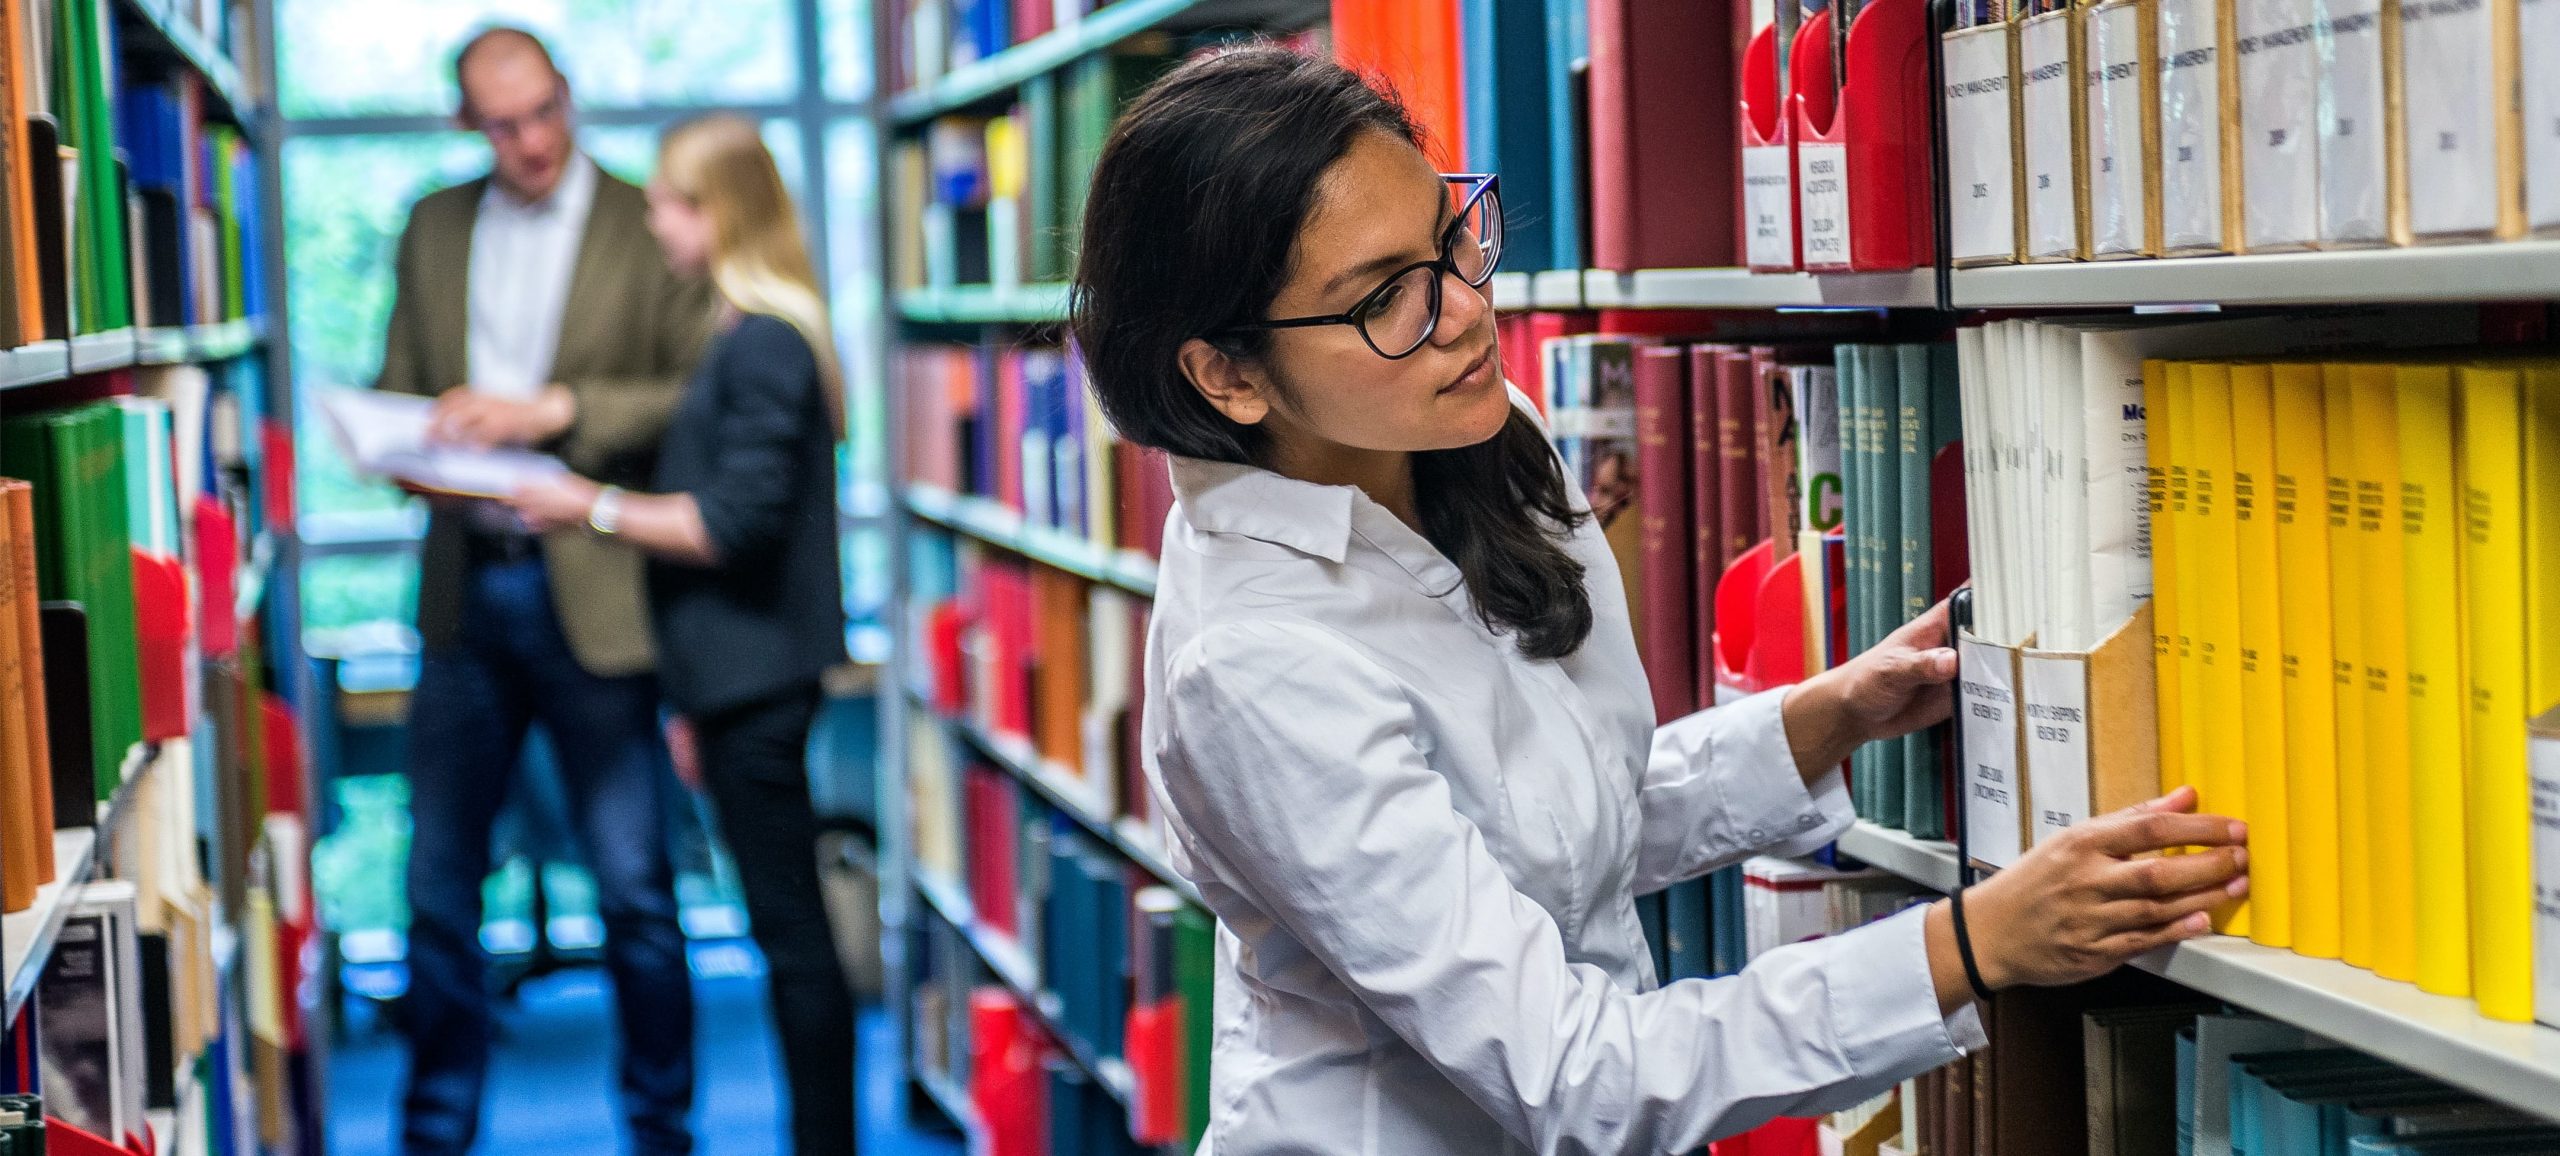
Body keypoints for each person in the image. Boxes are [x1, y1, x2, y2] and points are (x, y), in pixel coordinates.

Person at [1068, 48, 2252, 1155]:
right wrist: (1973, 945)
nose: (1469, 311)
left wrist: (1819, 719)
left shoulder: (1469, 430)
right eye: (1386, 296)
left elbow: (1547, 829)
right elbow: (1581, 1079)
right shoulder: (1252, 665)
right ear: (1224, 372)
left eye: (1452, 238)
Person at [371, 26, 714, 1156]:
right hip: (466, 591)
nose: (526, 142)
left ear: (568, 97)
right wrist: (412, 433)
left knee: (635, 894)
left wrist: (553, 411)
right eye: (500, 123)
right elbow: (396, 385)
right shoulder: (432, 224)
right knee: (435, 889)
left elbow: (686, 393)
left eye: (541, 114)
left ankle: (661, 1131)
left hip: (598, 591)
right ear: (468, 123)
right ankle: (434, 1132)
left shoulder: (643, 218)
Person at [508, 114, 856, 1156]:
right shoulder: (736, 333)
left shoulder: (764, 342)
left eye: (666, 201)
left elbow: (729, 525)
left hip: (756, 679)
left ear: (718, 211)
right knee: (780, 931)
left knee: (792, 940)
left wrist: (587, 505)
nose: (651, 220)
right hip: (727, 680)